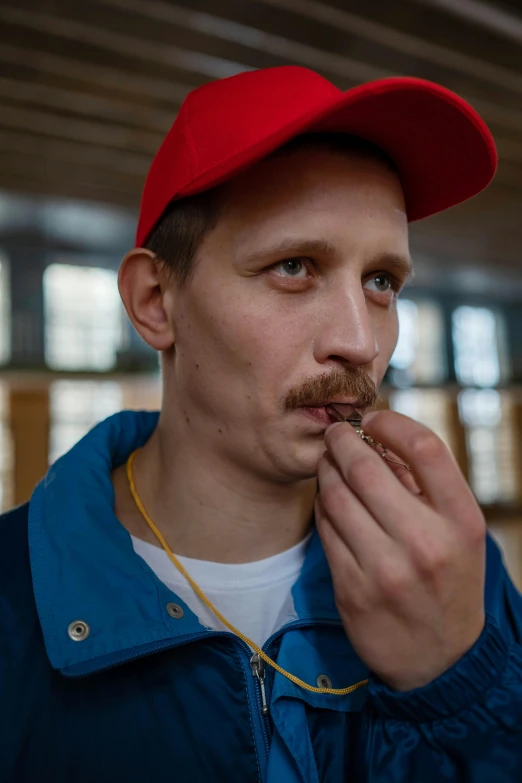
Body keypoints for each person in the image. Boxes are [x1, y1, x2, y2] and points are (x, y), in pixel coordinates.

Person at [1, 65, 521, 783]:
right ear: (156, 300)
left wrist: (458, 687)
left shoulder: (455, 568)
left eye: (381, 283)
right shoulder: (9, 601)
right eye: (295, 266)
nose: (360, 343)